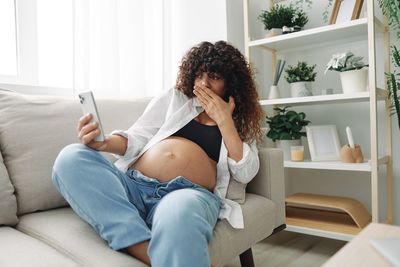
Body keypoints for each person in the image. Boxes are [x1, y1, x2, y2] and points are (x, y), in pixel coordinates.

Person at [52, 40, 263, 267]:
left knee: (178, 212)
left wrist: (225, 121)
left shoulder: (239, 120)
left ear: (230, 83)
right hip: (134, 184)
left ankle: (145, 248)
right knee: (71, 158)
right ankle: (147, 251)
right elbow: (137, 137)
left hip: (187, 195)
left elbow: (246, 173)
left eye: (214, 77)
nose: (203, 83)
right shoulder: (175, 98)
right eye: (199, 75)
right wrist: (103, 144)